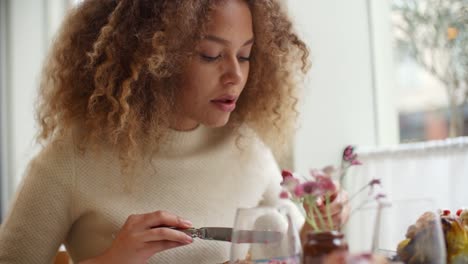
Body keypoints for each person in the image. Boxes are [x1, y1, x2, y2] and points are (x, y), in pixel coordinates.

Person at [0, 0, 347, 263]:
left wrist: (319, 224)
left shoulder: (248, 149)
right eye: (211, 55)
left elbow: (288, 249)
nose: (235, 75)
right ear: (154, 58)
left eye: (244, 55)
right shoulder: (72, 158)